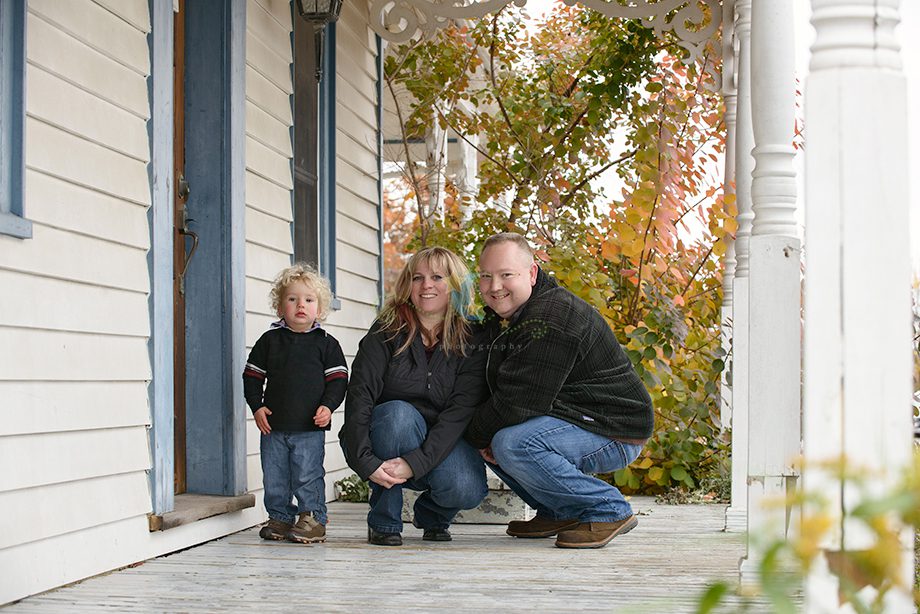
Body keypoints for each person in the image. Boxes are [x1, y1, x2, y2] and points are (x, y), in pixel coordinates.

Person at [466, 232, 654, 549]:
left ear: (532, 273)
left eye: (506, 275)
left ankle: (608, 509)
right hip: (574, 418)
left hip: (613, 429)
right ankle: (559, 511)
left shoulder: (551, 317)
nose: (494, 286)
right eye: (486, 276)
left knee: (511, 443)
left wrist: (476, 436)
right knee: (494, 436)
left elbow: (519, 401)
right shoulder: (516, 315)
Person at [340, 246, 488, 546]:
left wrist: (415, 463)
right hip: (392, 436)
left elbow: (460, 412)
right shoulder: (386, 330)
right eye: (417, 277)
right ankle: (384, 521)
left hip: (445, 442)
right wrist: (364, 461)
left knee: (468, 489)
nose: (426, 285)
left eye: (437, 277)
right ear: (407, 284)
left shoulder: (473, 337)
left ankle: (433, 516)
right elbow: (360, 396)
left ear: (456, 285)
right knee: (397, 414)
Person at [243, 263, 348, 544]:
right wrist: (256, 405)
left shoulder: (326, 344)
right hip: (274, 426)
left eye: (309, 300)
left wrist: (328, 406)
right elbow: (252, 376)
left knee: (307, 474)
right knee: (275, 475)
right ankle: (279, 517)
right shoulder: (270, 341)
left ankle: (312, 518)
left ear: (319, 308)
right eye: (292, 299)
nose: (301, 305)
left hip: (309, 427)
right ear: (280, 307)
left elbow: (338, 380)